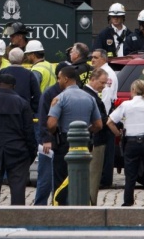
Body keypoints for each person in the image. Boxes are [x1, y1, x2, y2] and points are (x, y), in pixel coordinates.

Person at [0, 73, 36, 206]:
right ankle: (18, 218)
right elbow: (29, 132)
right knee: (18, 188)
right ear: (14, 86)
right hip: (17, 151)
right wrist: (31, 152)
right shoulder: (22, 103)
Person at [46, 66, 102, 206]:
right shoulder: (89, 97)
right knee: (81, 177)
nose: (58, 81)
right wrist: (85, 132)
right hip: (84, 145)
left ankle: (61, 208)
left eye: (59, 78)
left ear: (66, 79)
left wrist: (55, 133)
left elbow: (51, 124)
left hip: (64, 143)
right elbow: (99, 125)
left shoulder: (60, 98)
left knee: (61, 180)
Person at [108, 79, 144, 207]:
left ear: (133, 90)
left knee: (130, 174)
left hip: (131, 142)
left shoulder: (126, 105)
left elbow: (109, 122)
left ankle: (128, 201)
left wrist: (118, 134)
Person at [33, 64, 63, 206]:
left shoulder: (65, 91)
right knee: (45, 177)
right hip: (48, 143)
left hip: (60, 141)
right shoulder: (50, 93)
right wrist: (46, 139)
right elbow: (43, 117)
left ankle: (58, 203)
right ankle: (40, 206)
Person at [90, 47, 118, 188]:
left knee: (105, 151)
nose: (92, 60)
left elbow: (106, 98)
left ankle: (104, 180)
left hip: (104, 116)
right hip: (103, 116)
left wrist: (103, 119)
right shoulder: (102, 72)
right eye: (92, 58)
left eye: (95, 57)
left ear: (103, 58)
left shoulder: (107, 75)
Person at [84, 69, 110, 204]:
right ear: (93, 79)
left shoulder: (88, 94)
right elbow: (100, 121)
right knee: (94, 175)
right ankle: (90, 204)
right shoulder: (92, 96)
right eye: (101, 82)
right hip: (96, 140)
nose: (103, 86)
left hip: (91, 139)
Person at [2, 48, 41, 113]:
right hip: (23, 112)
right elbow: (37, 95)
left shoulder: (2, 72)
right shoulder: (29, 74)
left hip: (4, 111)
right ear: (22, 59)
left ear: (8, 58)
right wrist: (31, 108)